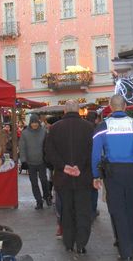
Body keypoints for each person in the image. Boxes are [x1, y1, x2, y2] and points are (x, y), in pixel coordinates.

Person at [92, 95, 133, 261]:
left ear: (110, 106)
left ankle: (125, 251)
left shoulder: (103, 126)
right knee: (131, 207)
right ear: (125, 107)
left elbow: (95, 153)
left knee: (117, 210)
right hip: (131, 172)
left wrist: (96, 175)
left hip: (112, 173)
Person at [46, 100, 94, 254]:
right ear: (79, 111)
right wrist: (79, 166)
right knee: (83, 211)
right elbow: (92, 152)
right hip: (84, 177)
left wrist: (63, 166)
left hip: (62, 178)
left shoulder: (54, 128)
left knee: (66, 211)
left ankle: (68, 242)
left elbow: (49, 153)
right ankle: (81, 243)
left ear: (65, 111)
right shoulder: (89, 127)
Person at [19, 114, 51, 210]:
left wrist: (48, 158)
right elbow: (22, 147)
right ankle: (39, 201)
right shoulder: (25, 133)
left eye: (36, 122)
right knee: (34, 183)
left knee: (44, 180)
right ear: (30, 123)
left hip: (42, 161)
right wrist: (23, 160)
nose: (34, 124)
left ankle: (46, 196)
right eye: (33, 122)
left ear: (38, 122)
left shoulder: (43, 132)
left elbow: (47, 146)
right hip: (30, 162)